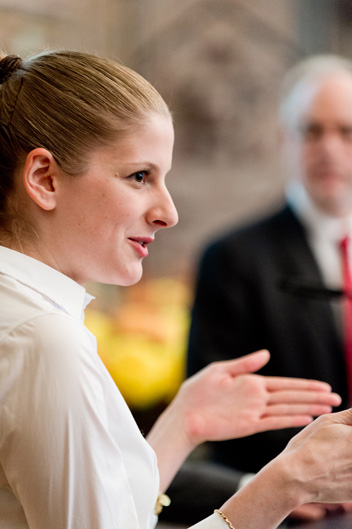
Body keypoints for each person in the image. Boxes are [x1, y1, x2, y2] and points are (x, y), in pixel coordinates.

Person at [1, 50, 352, 529]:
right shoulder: (45, 341)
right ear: (45, 179)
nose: (169, 212)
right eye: (139, 176)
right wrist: (285, 484)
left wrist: (181, 424)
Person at [181, 53, 352, 524]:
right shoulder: (233, 258)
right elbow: (215, 403)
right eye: (311, 131)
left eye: (345, 131)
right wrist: (301, 482)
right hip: (293, 511)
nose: (329, 149)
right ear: (284, 140)